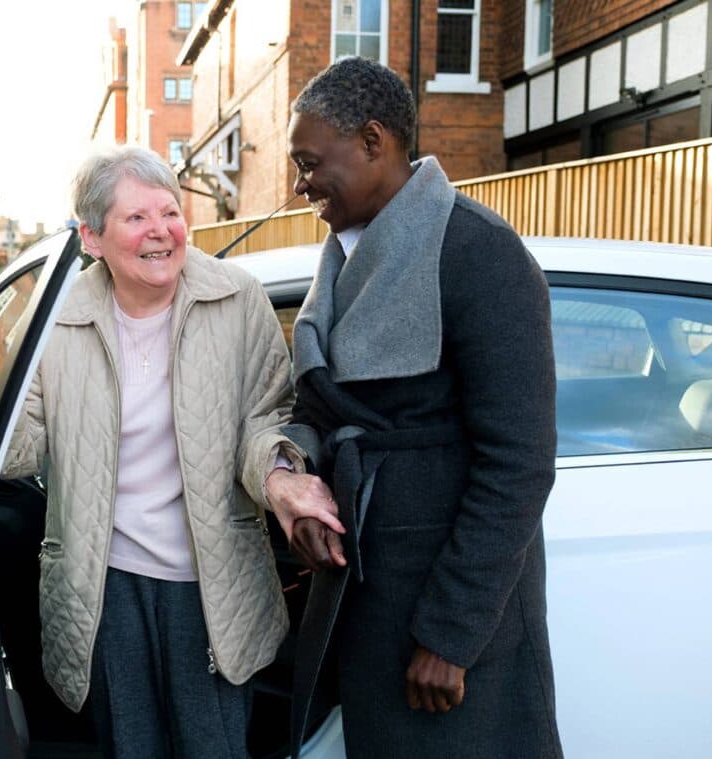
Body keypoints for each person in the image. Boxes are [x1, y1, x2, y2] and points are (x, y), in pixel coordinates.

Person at [0, 145, 339, 758]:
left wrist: (281, 476)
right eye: (136, 218)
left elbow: (272, 418)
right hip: (102, 585)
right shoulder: (55, 322)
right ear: (91, 237)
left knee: (212, 747)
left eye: (169, 212)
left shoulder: (237, 300)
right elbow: (17, 452)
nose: (160, 231)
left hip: (211, 583)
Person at [282, 57, 564, 758]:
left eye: (311, 162)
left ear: (373, 141)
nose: (300, 183)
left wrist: (450, 633)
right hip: (367, 596)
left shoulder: (480, 253)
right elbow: (321, 408)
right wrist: (304, 489)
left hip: (450, 623)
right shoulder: (342, 257)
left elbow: (520, 462)